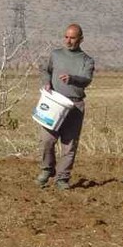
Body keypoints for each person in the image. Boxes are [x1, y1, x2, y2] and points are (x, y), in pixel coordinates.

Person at [36, 23, 95, 190]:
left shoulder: (87, 60)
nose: (68, 41)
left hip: (74, 105)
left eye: (73, 38)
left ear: (81, 39)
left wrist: (73, 79)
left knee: (69, 145)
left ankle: (62, 178)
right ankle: (47, 169)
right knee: (47, 140)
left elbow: (86, 79)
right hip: (54, 102)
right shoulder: (55, 55)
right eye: (66, 37)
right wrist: (47, 82)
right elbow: (45, 71)